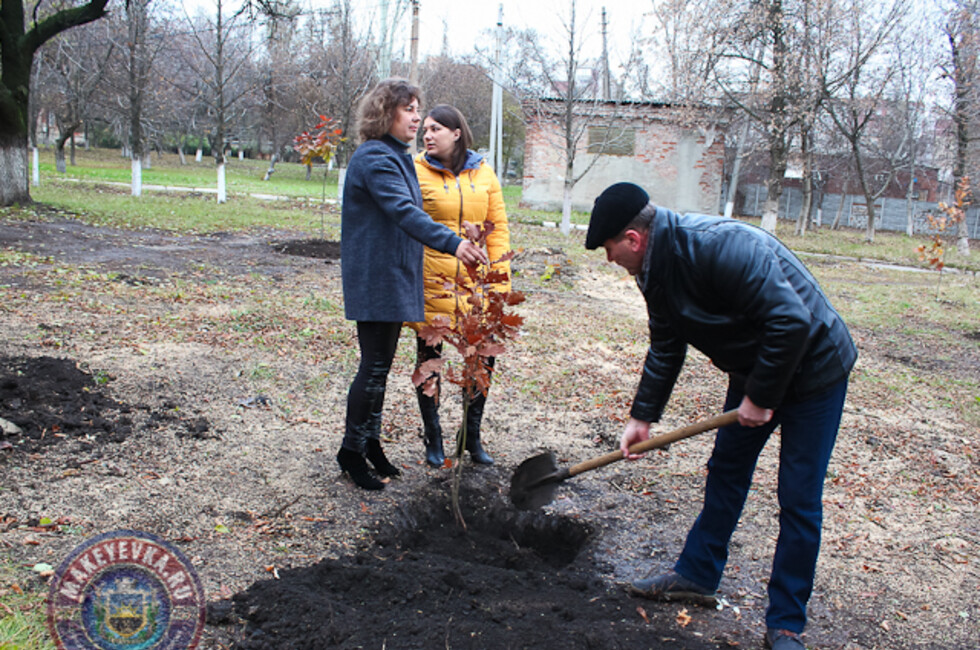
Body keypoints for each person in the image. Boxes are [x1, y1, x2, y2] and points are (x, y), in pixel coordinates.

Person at [584, 183, 857, 650]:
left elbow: (792, 321)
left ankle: (786, 624)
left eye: (610, 250)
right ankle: (697, 573)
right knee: (726, 471)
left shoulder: (722, 246)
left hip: (814, 370)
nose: (610, 260)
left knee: (798, 497)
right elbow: (666, 344)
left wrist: (761, 397)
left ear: (633, 238)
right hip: (757, 369)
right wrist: (642, 416)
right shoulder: (654, 271)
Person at [337, 80, 488, 491]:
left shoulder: (396, 157)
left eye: (418, 108)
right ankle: (352, 450)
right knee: (372, 369)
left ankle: (368, 444)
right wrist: (453, 243)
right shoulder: (374, 160)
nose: (418, 117)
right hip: (377, 278)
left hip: (395, 276)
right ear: (386, 113)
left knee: (379, 370)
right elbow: (405, 213)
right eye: (409, 109)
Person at [410, 104, 512, 467]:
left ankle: (471, 436)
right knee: (430, 363)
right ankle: (433, 436)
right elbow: (408, 223)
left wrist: (500, 282)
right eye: (424, 129)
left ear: (456, 133)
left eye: (435, 128)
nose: (427, 134)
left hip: (476, 286)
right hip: (433, 282)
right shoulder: (416, 171)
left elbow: (497, 228)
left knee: (482, 362)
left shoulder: (484, 173)